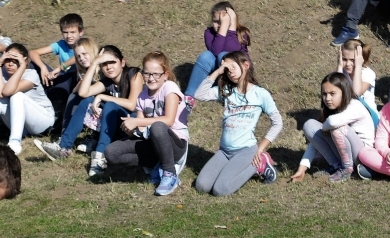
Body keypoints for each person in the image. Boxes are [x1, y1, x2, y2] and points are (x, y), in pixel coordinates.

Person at [34, 45, 143, 177]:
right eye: (104, 64)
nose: (109, 67)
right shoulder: (107, 82)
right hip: (115, 128)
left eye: (112, 62)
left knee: (109, 105)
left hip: (132, 129)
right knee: (86, 101)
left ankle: (99, 157)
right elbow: (83, 92)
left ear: (123, 62)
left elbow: (132, 104)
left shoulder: (134, 74)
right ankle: (63, 147)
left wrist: (102, 96)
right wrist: (95, 63)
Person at [193, 51, 282, 195]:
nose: (230, 72)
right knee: (202, 186)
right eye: (227, 70)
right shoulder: (226, 91)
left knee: (220, 190)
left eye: (233, 67)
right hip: (224, 151)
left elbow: (277, 122)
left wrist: (260, 149)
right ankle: (235, 167)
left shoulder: (260, 94)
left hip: (246, 150)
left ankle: (261, 164)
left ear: (246, 65)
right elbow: (199, 95)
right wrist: (217, 71)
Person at [104, 51, 190, 196]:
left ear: (165, 75)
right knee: (111, 152)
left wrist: (137, 121)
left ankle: (170, 174)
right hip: (153, 143)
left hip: (176, 144)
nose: (151, 78)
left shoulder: (170, 88)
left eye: (156, 74)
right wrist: (130, 128)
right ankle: (156, 166)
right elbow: (142, 128)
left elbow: (168, 120)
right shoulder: (142, 96)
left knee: (158, 126)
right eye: (147, 73)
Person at [289, 72, 375, 183]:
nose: (327, 98)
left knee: (337, 128)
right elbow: (315, 142)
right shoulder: (333, 110)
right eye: (324, 94)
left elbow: (332, 122)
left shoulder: (355, 105)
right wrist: (302, 168)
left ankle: (347, 169)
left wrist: (324, 128)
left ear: (344, 92)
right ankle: (336, 165)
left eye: (332, 93)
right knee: (309, 125)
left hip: (361, 156)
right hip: (344, 151)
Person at [184, 2, 250, 102]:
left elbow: (230, 52)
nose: (219, 25)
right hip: (220, 71)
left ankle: (233, 93)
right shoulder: (209, 33)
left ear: (232, 20)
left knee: (224, 56)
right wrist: (224, 27)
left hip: (239, 73)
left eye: (223, 22)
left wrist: (231, 29)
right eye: (216, 22)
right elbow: (216, 51)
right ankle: (189, 96)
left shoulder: (241, 33)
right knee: (206, 56)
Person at [27, 14, 85, 106]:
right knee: (33, 64)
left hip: (76, 79)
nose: (69, 36)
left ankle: (56, 100)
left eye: (72, 32)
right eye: (65, 32)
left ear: (81, 32)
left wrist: (61, 67)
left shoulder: (84, 44)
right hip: (62, 75)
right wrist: (43, 68)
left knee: (72, 75)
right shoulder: (61, 44)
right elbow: (32, 53)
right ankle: (39, 94)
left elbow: (78, 57)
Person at [337, 39, 377, 122]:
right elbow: (336, 91)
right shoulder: (341, 72)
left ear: (361, 59)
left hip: (368, 117)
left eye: (353, 60)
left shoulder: (368, 73)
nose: (348, 64)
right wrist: (340, 66)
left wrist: (358, 66)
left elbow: (356, 92)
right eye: (344, 59)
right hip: (347, 114)